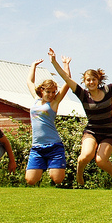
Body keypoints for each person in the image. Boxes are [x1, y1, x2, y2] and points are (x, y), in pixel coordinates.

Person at [50, 48, 112, 188]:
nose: (91, 82)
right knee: (85, 156)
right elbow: (66, 78)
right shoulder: (83, 94)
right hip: (91, 131)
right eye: (88, 80)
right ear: (85, 82)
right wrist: (54, 62)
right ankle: (79, 173)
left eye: (93, 79)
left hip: (109, 133)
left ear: (98, 80)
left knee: (100, 161)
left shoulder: (108, 90)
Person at [24, 51, 72, 186]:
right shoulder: (35, 100)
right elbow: (29, 81)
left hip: (54, 146)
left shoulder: (54, 103)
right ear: (42, 91)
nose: (51, 95)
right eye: (48, 92)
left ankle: (52, 167)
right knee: (30, 180)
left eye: (53, 92)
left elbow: (68, 82)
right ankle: (43, 166)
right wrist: (33, 65)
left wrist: (65, 64)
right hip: (37, 147)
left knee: (57, 179)